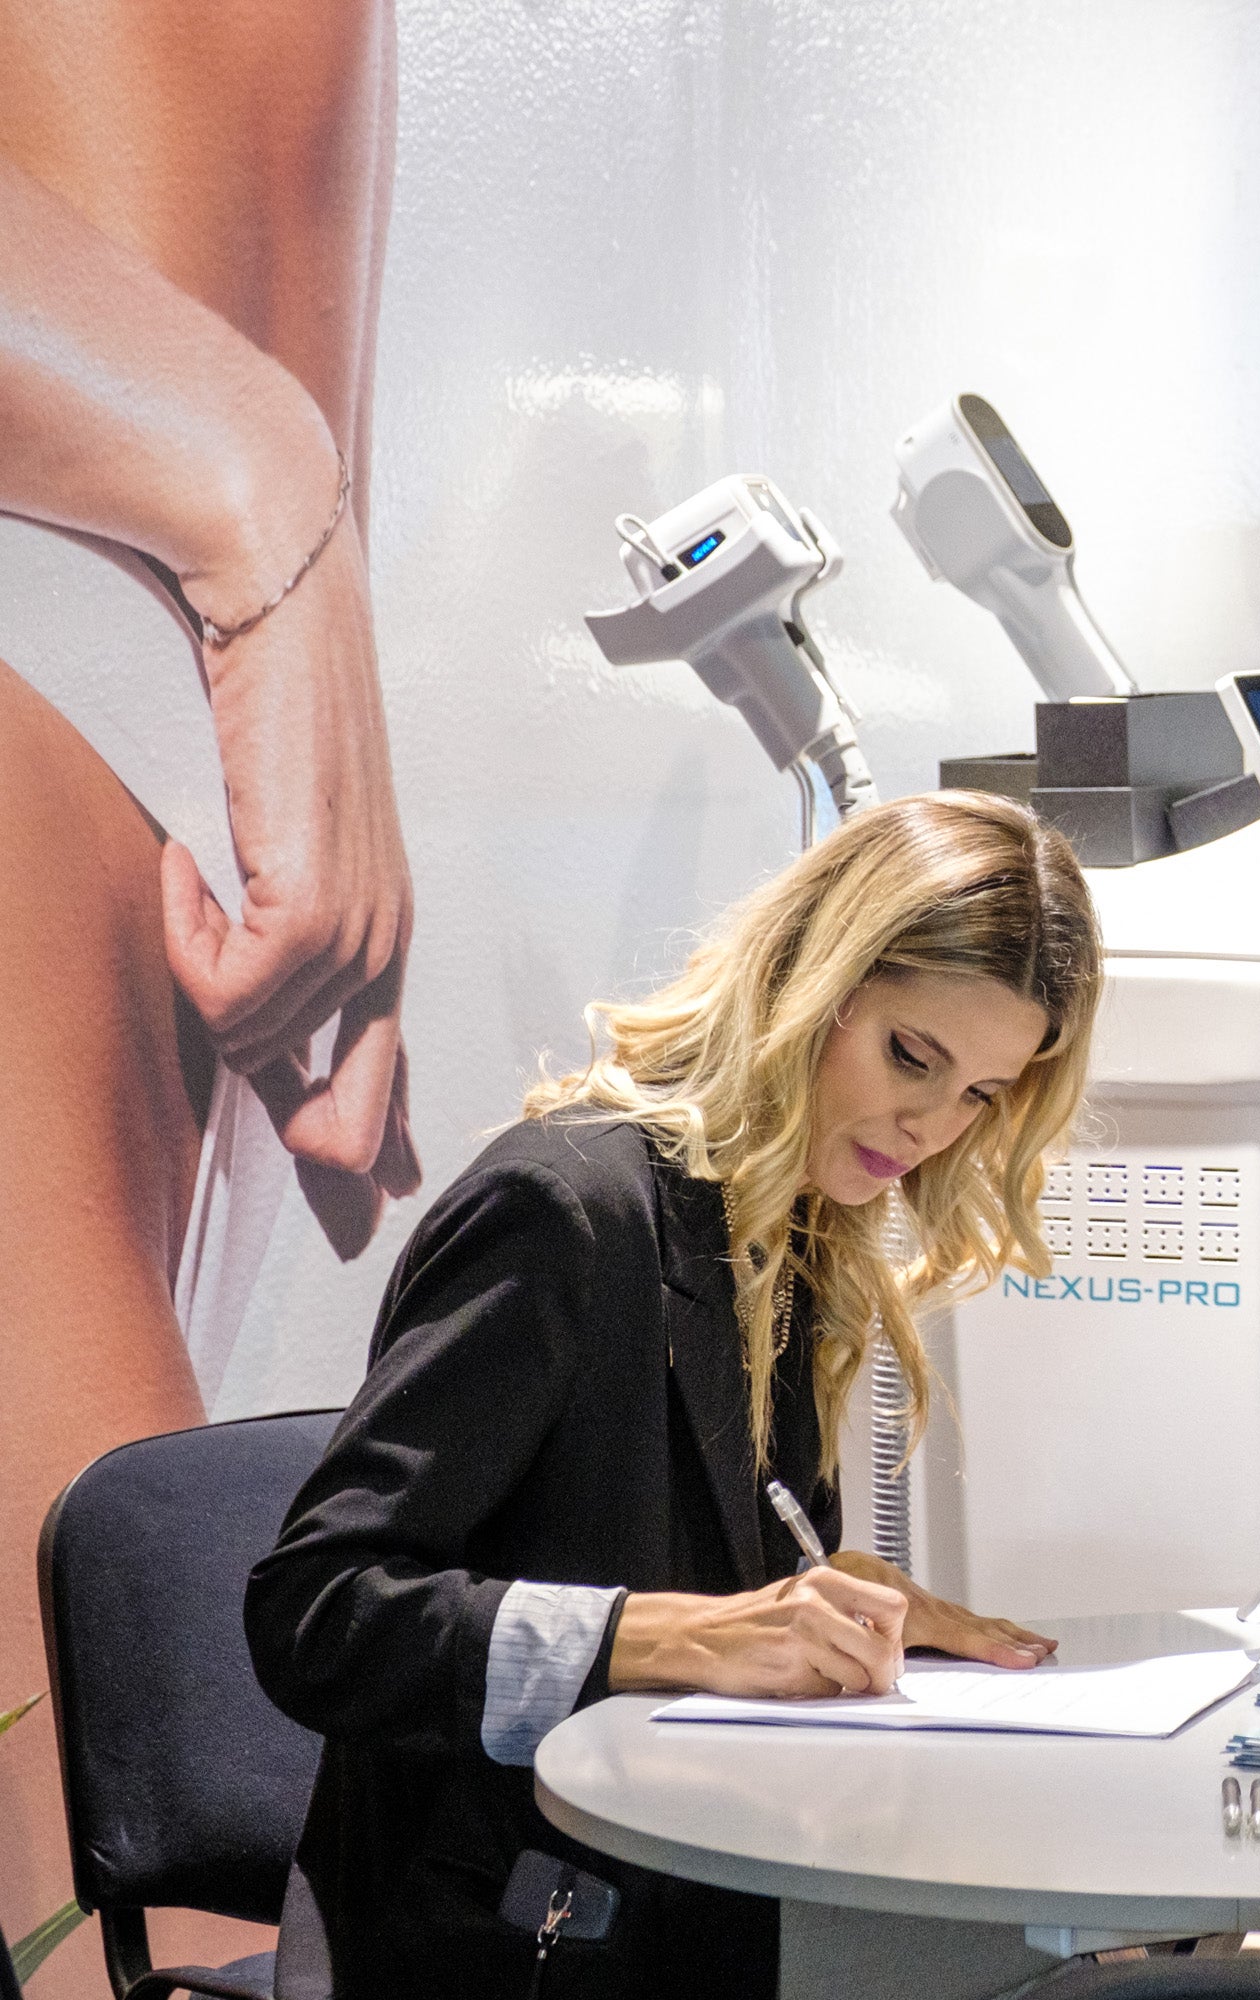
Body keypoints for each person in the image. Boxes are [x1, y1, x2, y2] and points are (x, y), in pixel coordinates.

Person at [247, 791, 1100, 1997]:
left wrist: (814, 1599)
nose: (932, 1122)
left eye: (981, 1093)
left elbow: (679, 1563)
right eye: (914, 1055)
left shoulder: (798, 1223)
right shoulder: (564, 1211)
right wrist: (669, 1632)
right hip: (496, 1944)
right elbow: (316, 1611)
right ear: (809, 976)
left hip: (686, 1904)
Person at [0, 4, 411, 1955]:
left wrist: (277, 531)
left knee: (126, 1864)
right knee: (153, 1860)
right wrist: (276, 524)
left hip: (128, 639)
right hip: (136, 654)